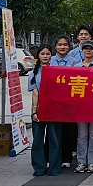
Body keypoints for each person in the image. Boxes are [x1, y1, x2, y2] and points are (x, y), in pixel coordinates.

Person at [28, 44, 59, 176]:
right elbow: (35, 93)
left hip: (54, 110)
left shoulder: (56, 71)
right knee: (37, 140)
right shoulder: (33, 73)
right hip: (39, 110)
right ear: (38, 56)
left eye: (47, 54)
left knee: (54, 140)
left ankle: (54, 168)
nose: (45, 56)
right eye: (42, 54)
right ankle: (39, 168)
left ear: (51, 55)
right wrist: (34, 111)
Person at [49, 35, 79, 168]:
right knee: (53, 130)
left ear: (69, 46)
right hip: (53, 101)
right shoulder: (50, 60)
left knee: (67, 130)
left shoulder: (74, 61)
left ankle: (66, 158)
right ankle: (52, 157)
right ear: (55, 46)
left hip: (69, 101)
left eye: (65, 45)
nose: (62, 47)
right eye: (60, 45)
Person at [74, 40, 93, 174]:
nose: (88, 51)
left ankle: (92, 162)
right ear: (82, 51)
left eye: (91, 48)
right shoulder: (76, 66)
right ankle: (81, 162)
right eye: (86, 48)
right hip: (81, 106)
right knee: (82, 134)